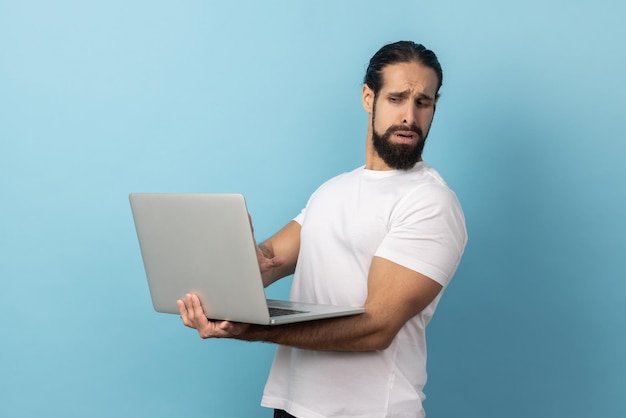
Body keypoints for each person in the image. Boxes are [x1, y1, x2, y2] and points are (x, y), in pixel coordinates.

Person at [177, 41, 467, 418]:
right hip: (294, 405)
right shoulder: (332, 191)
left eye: (422, 102)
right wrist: (230, 258)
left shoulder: (430, 202)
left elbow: (376, 326)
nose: (409, 116)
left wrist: (255, 329)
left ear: (434, 107)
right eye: (396, 98)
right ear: (369, 97)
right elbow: (268, 260)